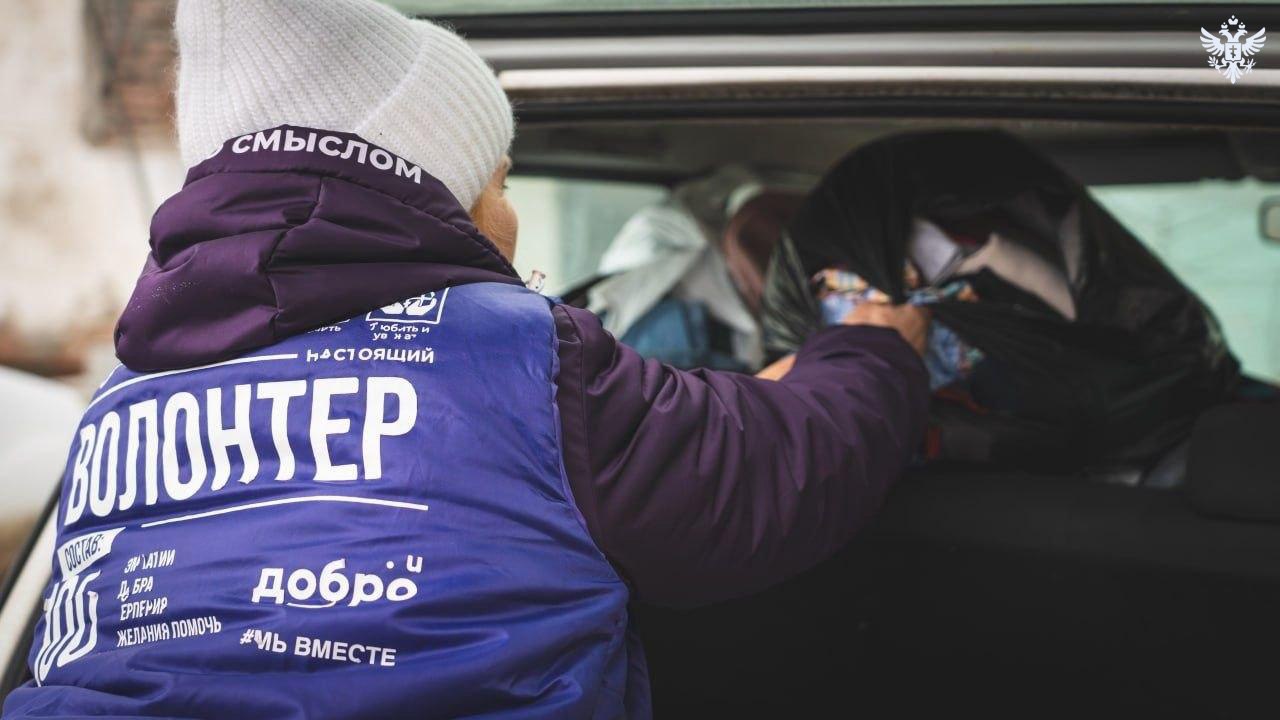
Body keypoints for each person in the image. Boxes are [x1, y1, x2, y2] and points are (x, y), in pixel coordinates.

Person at [2, 1, 929, 718]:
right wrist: (874, 348)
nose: (510, 213)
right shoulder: (526, 358)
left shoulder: (120, 401)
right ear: (445, 194)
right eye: (500, 180)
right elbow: (777, 465)